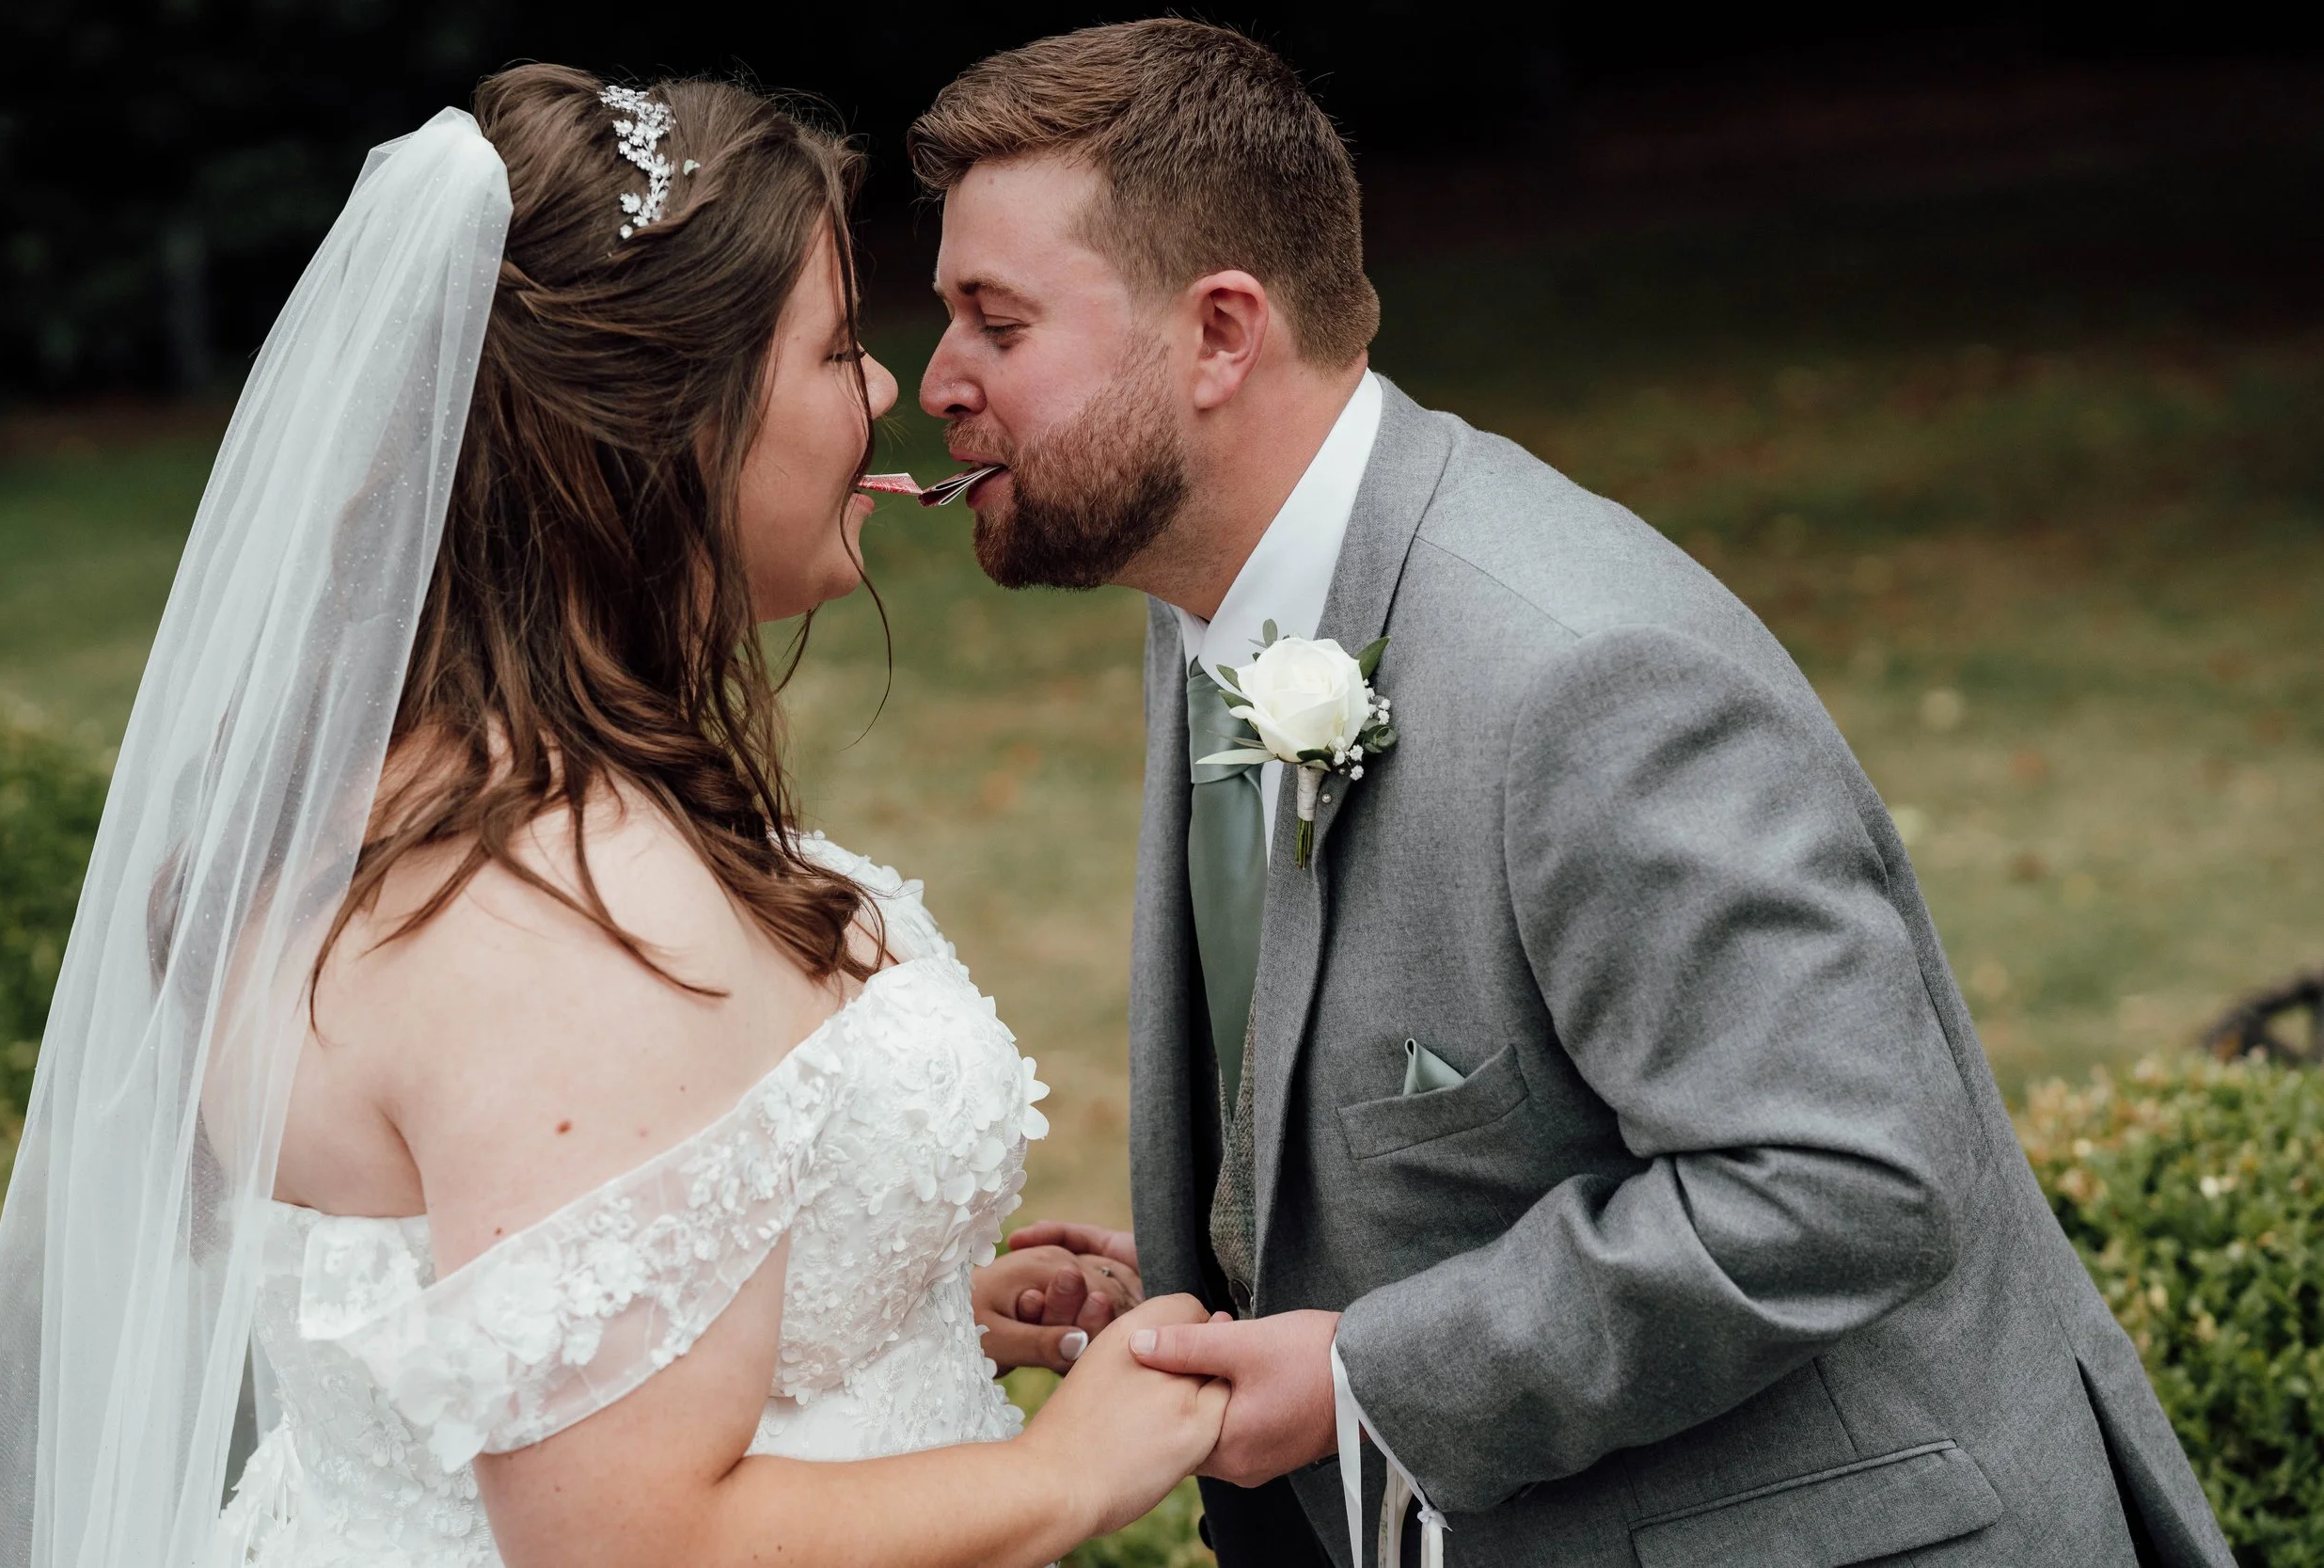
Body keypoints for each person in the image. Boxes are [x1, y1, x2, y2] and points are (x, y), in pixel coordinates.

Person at [914, 20, 2235, 1568]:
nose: (933, 379)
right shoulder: (1211, 594)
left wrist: (1361, 1376)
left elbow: (1843, 1181)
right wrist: (1246, 1278)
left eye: (994, 323)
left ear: (1219, 334)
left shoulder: (1584, 677)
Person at [0, 64, 1217, 1568]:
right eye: (832, 352)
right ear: (672, 433)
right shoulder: (571, 905)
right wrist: (1066, 1475)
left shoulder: (421, 792)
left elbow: (502, 1308)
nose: (890, 388)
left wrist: (879, 1312)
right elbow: (627, 1539)